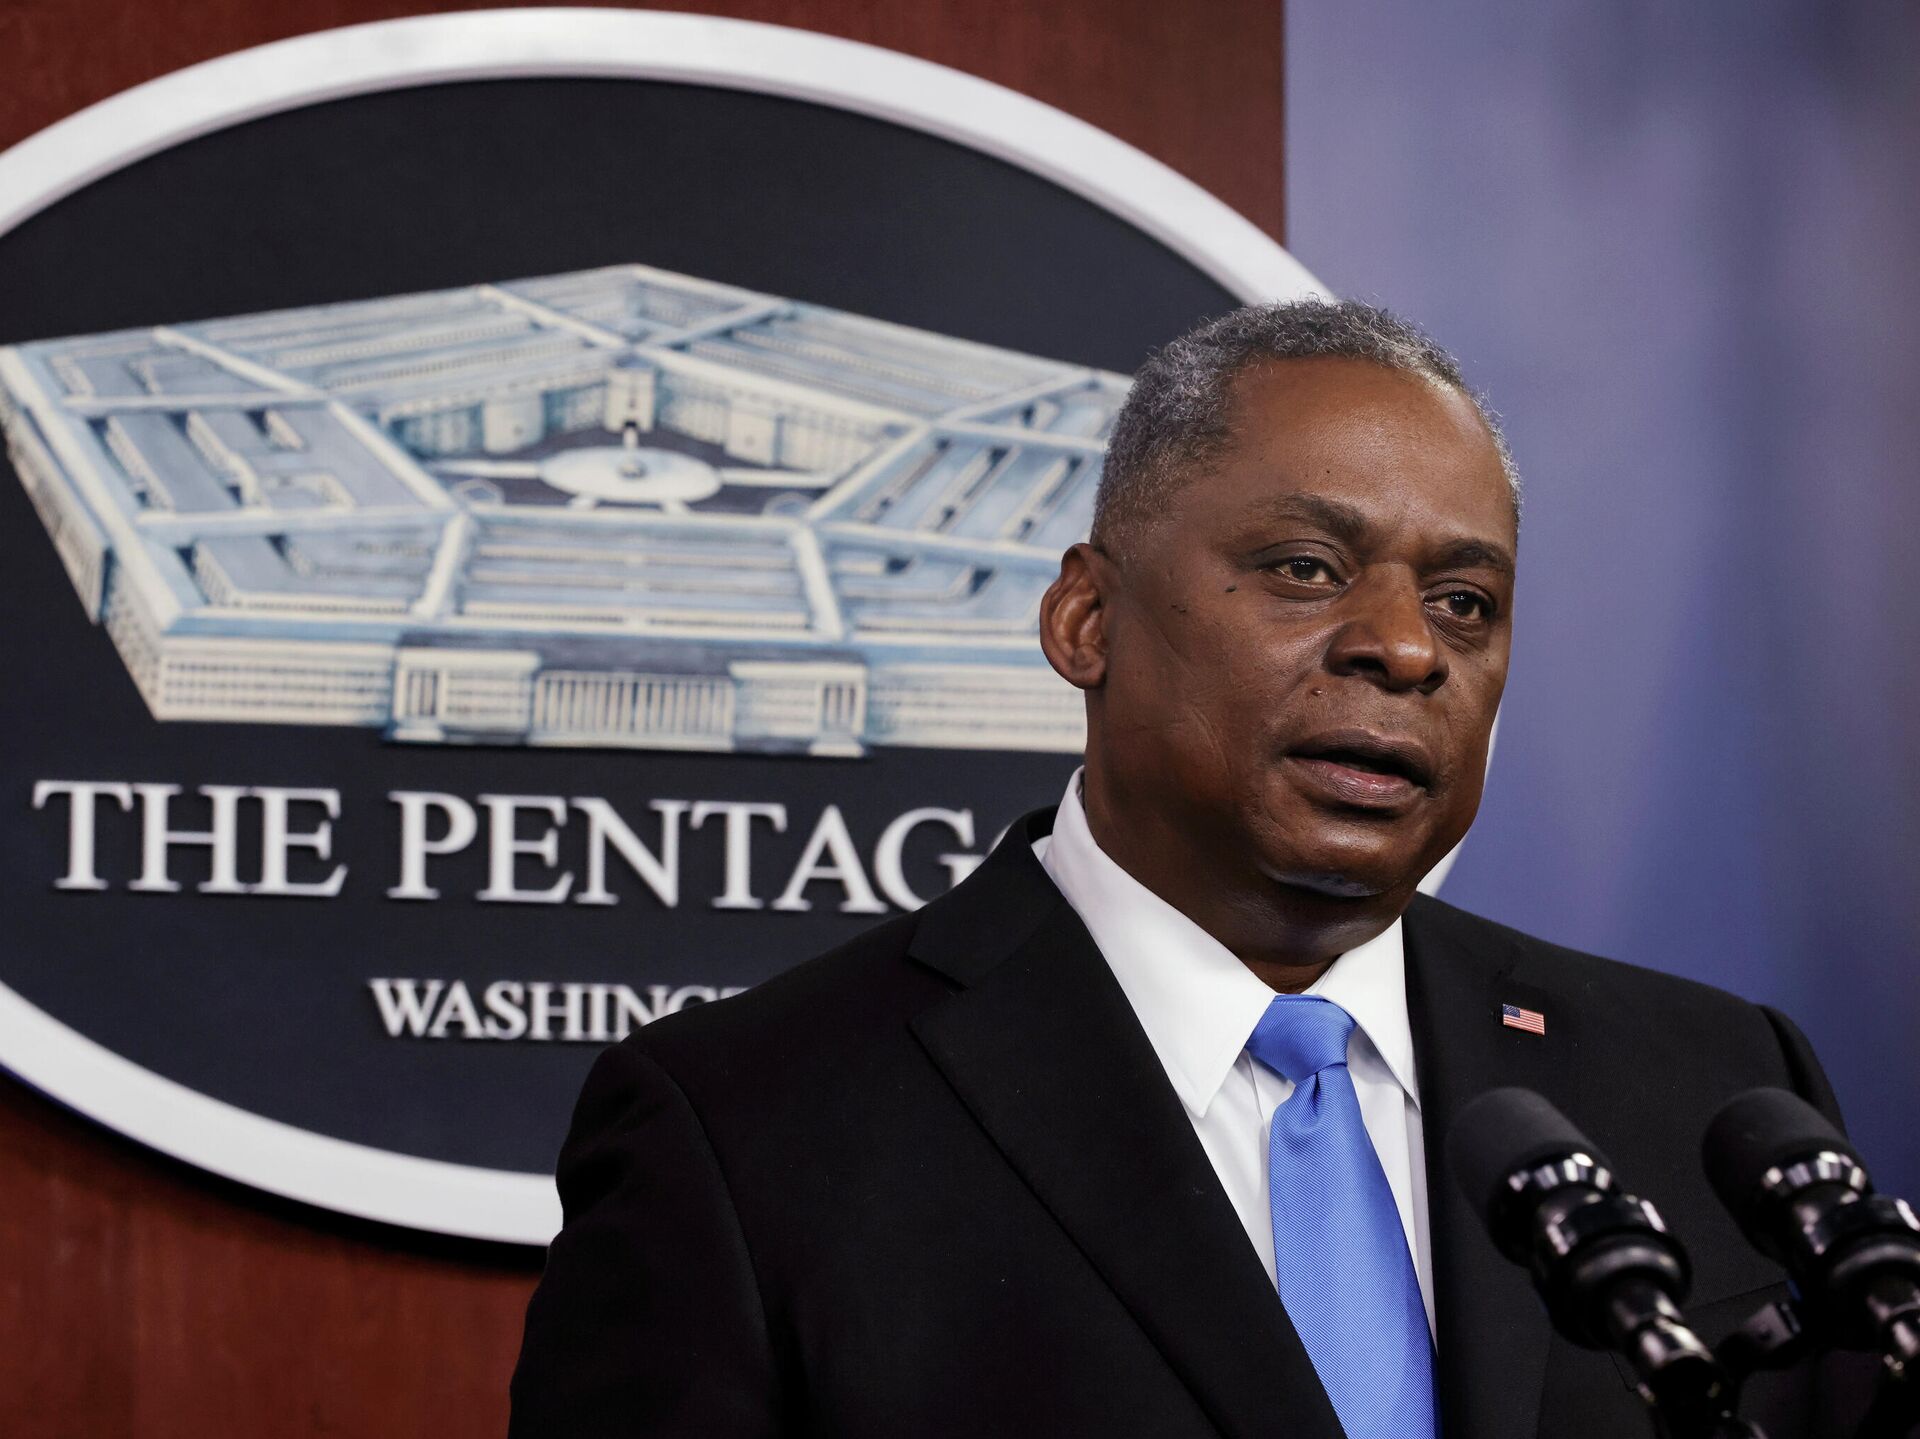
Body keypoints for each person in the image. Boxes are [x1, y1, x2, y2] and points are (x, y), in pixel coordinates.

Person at [510, 301, 1852, 1438]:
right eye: (1307, 568)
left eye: (1464, 603)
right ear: (1086, 619)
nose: (1405, 649)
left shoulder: (1717, 1091)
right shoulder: (748, 1135)